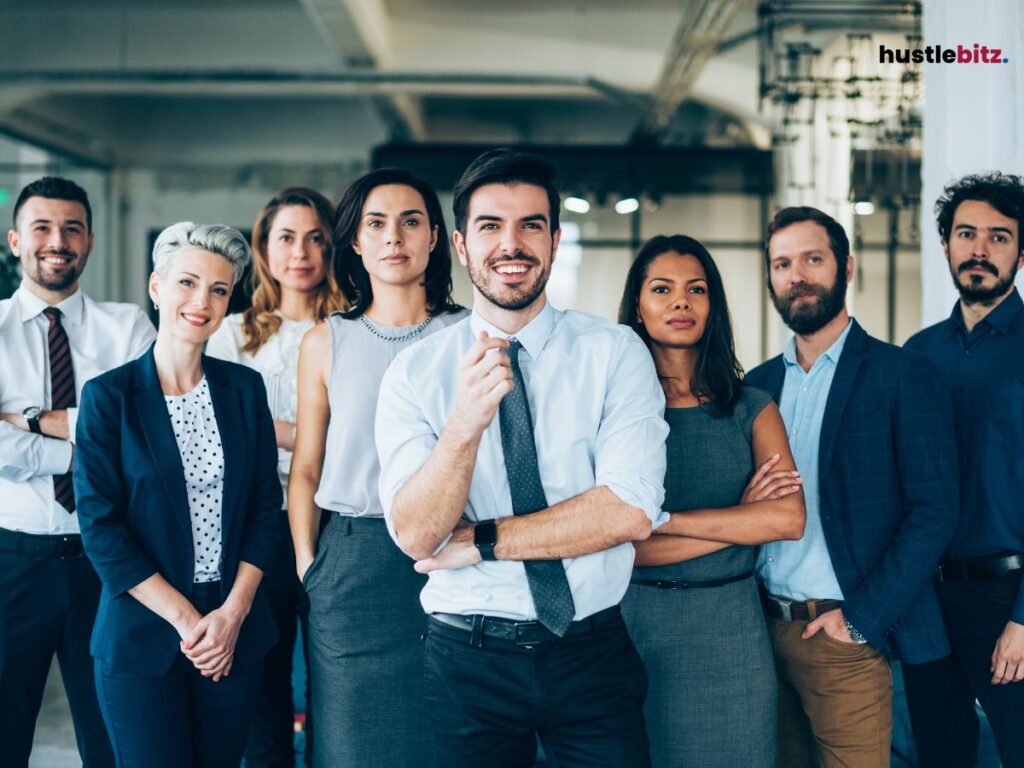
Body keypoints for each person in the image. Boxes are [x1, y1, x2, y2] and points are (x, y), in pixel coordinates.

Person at [375, 148, 669, 768]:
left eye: (531, 225)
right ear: (459, 244)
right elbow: (417, 535)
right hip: (467, 660)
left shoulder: (616, 353)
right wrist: (463, 425)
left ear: (556, 240)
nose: (512, 244)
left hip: (592, 651)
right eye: (490, 227)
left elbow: (629, 511)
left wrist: (482, 540)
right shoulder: (415, 373)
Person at [745, 206, 959, 768]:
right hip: (764, 631)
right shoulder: (755, 387)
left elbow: (934, 510)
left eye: (813, 259)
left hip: (844, 636)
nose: (798, 275)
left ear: (846, 267)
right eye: (782, 264)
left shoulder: (901, 373)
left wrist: (860, 619)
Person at [73, 222, 284, 768]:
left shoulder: (243, 389)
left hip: (234, 630)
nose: (202, 301)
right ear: (156, 287)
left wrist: (232, 616)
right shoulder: (108, 398)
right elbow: (101, 529)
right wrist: (191, 624)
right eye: (187, 283)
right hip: (144, 635)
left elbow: (265, 509)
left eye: (218, 289)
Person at [289, 168, 466, 768]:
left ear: (436, 238)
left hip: (452, 555)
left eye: (411, 221)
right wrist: (309, 566)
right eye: (377, 224)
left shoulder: (471, 335)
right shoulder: (325, 341)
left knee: (447, 736)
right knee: (350, 744)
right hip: (352, 562)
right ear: (356, 242)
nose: (395, 237)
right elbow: (307, 468)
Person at [616, 234, 805, 768]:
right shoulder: (612, 413)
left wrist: (664, 523)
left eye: (696, 290)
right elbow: (619, 548)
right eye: (663, 289)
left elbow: (788, 519)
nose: (681, 302)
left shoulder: (752, 406)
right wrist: (743, 521)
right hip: (634, 626)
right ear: (638, 304)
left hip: (731, 631)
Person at [0, 177, 155, 768]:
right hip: (11, 563)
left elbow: (146, 435)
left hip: (109, 563)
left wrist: (32, 424)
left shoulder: (129, 328)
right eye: (42, 227)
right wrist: (90, 444)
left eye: (71, 228)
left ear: (89, 241)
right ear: (16, 240)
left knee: (115, 738)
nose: (56, 241)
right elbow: (116, 443)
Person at [206, 186, 344, 767]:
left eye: (316, 237)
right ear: (263, 248)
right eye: (286, 237)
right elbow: (213, 429)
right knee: (263, 678)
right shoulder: (231, 334)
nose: (301, 252)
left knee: (334, 675)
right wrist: (307, 432)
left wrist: (268, 426)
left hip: (336, 515)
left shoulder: (353, 331)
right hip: (257, 519)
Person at [902, 172, 1024, 768]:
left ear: (1022, 252)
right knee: (940, 754)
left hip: (1009, 597)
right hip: (926, 599)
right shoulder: (917, 354)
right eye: (966, 233)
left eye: (998, 237)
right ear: (946, 245)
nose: (980, 249)